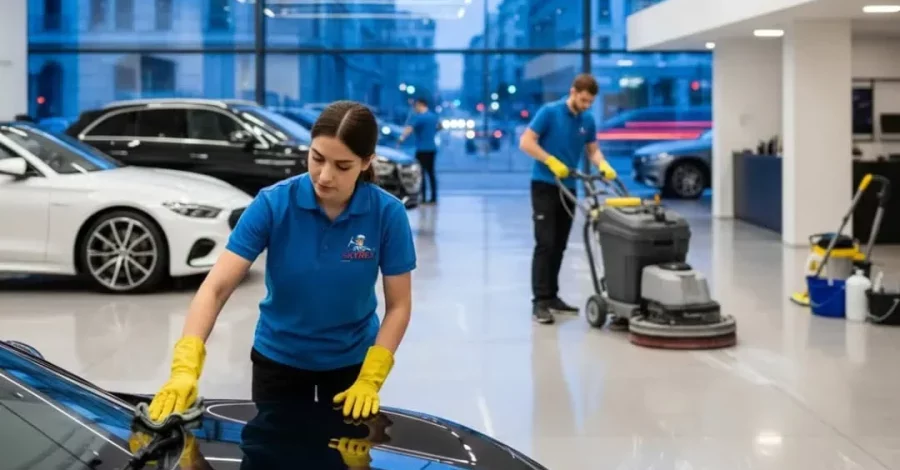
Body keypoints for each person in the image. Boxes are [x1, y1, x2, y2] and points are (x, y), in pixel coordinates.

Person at [145, 100, 417, 423]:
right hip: (278, 363)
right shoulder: (273, 204)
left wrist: (371, 377)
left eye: (342, 166)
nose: (325, 176)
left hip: (352, 366)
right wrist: (185, 368)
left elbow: (399, 305)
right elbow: (215, 288)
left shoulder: (387, 214)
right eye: (317, 158)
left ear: (367, 161)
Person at [518, 73, 618, 325]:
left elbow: (592, 149)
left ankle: (552, 297)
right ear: (573, 91)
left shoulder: (587, 119)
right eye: (583, 100)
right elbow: (526, 142)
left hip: (570, 187)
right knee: (546, 243)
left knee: (560, 244)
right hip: (544, 185)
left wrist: (603, 165)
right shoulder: (549, 112)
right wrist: (550, 160)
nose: (585, 106)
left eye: (589, 102)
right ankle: (539, 302)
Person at [398, 98, 440, 204]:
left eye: (416, 106)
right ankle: (434, 197)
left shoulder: (419, 118)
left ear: (421, 105)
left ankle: (424, 197)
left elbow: (409, 129)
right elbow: (440, 126)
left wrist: (401, 138)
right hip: (432, 148)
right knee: (431, 173)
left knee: (421, 174)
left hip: (422, 149)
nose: (415, 108)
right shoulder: (433, 116)